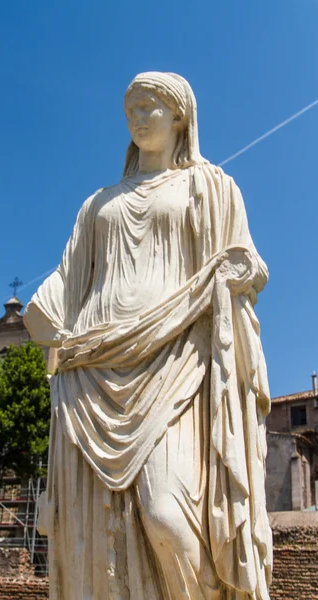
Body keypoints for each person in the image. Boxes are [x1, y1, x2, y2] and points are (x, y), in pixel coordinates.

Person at [24, 71, 273, 599]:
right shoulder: (97, 204)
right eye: (130, 109)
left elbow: (247, 259)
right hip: (91, 366)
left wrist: (238, 272)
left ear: (180, 115)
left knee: (168, 516)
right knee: (91, 535)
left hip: (177, 356)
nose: (136, 118)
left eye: (148, 107)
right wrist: (42, 309)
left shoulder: (210, 185)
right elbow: (68, 278)